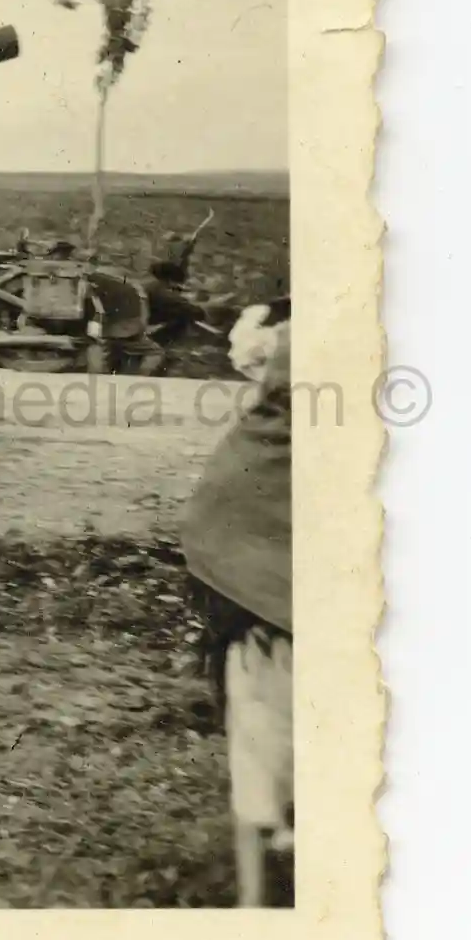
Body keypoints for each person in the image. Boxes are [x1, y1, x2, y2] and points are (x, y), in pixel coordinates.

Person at [180, 312, 294, 907]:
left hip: (257, 542)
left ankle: (270, 869)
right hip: (260, 552)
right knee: (264, 704)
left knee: (263, 711)